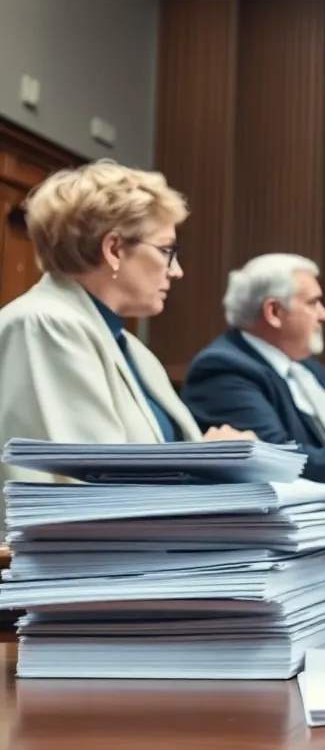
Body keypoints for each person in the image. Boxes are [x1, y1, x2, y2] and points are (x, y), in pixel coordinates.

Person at [0, 160, 251, 507]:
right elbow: (90, 488)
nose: (175, 271)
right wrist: (212, 464)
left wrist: (220, 458)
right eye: (167, 251)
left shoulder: (127, 344)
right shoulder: (44, 324)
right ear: (114, 249)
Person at [181, 254, 325, 497]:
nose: (324, 315)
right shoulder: (223, 369)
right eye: (313, 303)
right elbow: (278, 460)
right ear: (273, 311)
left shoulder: (311, 369)